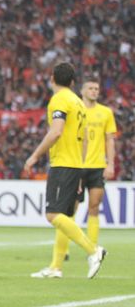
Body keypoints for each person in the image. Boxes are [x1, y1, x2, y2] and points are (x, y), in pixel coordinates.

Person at [24, 63, 106, 279]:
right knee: (66, 214)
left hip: (63, 164)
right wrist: (81, 166)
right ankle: (56, 267)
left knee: (53, 214)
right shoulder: (79, 103)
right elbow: (86, 138)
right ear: (72, 82)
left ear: (52, 78)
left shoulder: (60, 100)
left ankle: (93, 250)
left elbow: (56, 132)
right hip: (77, 164)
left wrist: (35, 155)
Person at [60, 77, 117, 264]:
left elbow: (110, 140)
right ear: (82, 91)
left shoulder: (106, 112)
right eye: (91, 88)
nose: (94, 91)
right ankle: (64, 249)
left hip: (97, 166)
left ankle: (92, 250)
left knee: (94, 207)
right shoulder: (76, 110)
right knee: (70, 209)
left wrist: (110, 164)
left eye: (97, 88)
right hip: (76, 165)